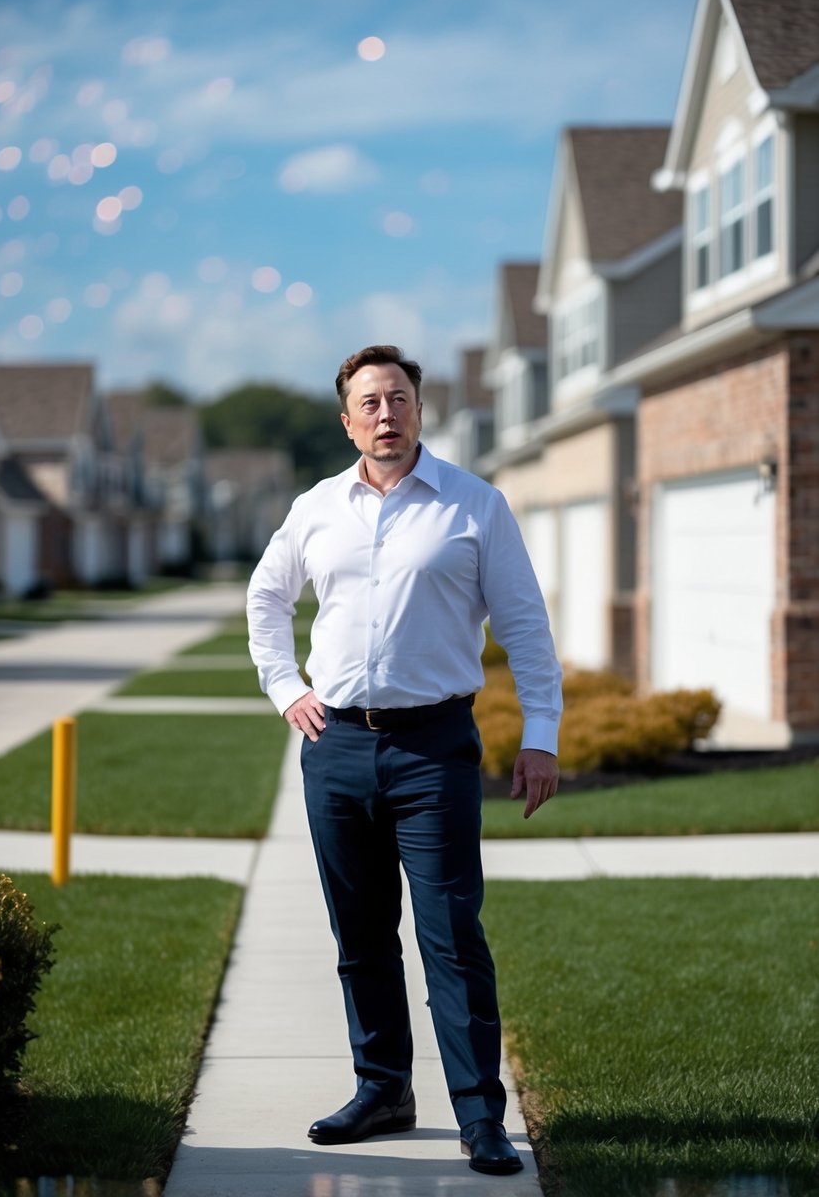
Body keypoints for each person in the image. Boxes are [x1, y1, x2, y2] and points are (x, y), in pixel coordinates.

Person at [247, 344, 561, 1176]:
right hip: (336, 745)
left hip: (434, 749)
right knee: (359, 935)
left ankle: (479, 1117)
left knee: (452, 935)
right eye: (369, 403)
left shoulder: (474, 504)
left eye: (399, 399)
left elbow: (524, 623)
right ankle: (382, 1089)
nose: (386, 414)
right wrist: (285, 687)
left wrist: (541, 734)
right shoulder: (316, 507)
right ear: (347, 421)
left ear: (420, 409)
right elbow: (267, 597)